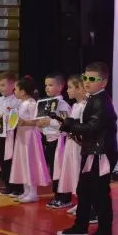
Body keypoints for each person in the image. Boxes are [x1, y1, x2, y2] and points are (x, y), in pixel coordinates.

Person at [56, 62, 118, 235]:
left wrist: (70, 125)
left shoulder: (101, 101)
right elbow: (89, 127)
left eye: (92, 78)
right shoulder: (93, 98)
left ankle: (105, 229)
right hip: (92, 151)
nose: (87, 81)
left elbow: (92, 127)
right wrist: (70, 124)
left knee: (100, 192)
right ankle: (80, 226)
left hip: (101, 154)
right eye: (85, 77)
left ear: (103, 82)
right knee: (83, 190)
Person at [10, 76, 50, 203]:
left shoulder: (31, 103)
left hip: (30, 137)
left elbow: (37, 121)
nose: (14, 91)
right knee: (23, 162)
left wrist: (24, 122)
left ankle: (33, 192)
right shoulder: (21, 103)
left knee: (30, 162)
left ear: (23, 91)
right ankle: (26, 190)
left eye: (15, 89)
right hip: (22, 135)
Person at [37, 73, 73, 209]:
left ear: (60, 87)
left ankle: (64, 198)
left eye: (51, 85)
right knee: (54, 170)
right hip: (50, 140)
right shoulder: (45, 104)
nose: (47, 88)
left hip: (60, 141)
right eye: (46, 85)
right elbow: (43, 124)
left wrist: (49, 122)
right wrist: (40, 125)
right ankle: (57, 196)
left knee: (60, 170)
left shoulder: (62, 104)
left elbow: (66, 125)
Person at [54, 74, 88, 214]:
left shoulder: (85, 106)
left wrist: (73, 131)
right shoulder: (75, 105)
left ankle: (84, 203)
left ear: (80, 88)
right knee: (73, 171)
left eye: (70, 87)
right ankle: (79, 201)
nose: (67, 90)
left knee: (78, 170)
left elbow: (82, 126)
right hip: (71, 144)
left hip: (78, 145)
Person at [0, 72, 24, 197]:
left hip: (14, 134)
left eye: (3, 85)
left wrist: (9, 119)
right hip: (2, 133)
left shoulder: (18, 100)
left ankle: (18, 187)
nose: (1, 88)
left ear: (13, 85)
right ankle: (8, 185)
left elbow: (18, 117)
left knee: (13, 160)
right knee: (3, 159)